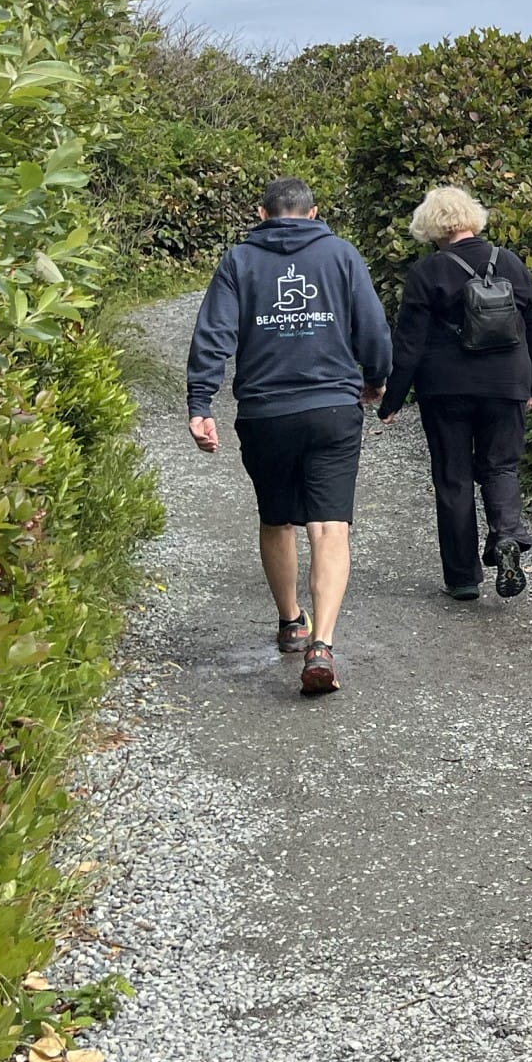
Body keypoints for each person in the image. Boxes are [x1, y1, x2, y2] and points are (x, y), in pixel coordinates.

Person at [186, 176, 393, 695]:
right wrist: (376, 378)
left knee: (277, 519)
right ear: (315, 212)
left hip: (265, 412)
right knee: (330, 527)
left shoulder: (239, 261)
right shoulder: (342, 254)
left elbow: (214, 333)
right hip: (331, 409)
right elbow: (372, 327)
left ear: (262, 214)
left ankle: (290, 623)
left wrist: (200, 402)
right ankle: (322, 643)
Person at [377, 185, 532, 601]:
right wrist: (531, 388)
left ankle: (463, 578)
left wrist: (392, 400)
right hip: (508, 383)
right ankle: (506, 535)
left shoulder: (427, 272)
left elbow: (410, 343)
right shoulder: (510, 263)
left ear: (431, 227)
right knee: (501, 466)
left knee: (453, 477)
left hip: (446, 388)